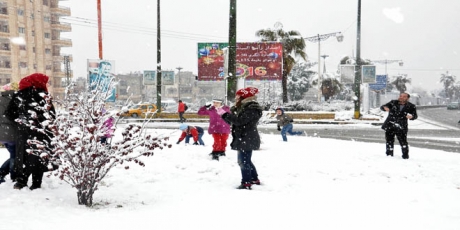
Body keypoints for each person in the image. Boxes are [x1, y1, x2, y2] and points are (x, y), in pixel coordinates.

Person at [5, 73, 57, 190]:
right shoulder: (43, 95)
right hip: (40, 131)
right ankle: (36, 184)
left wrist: (19, 122)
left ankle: (21, 182)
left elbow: (9, 113)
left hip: (23, 132)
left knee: (23, 156)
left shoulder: (19, 95)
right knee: (38, 156)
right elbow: (51, 115)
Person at [217, 87, 263, 190]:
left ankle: (246, 183)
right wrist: (224, 114)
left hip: (247, 138)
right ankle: (254, 179)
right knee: (246, 161)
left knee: (244, 162)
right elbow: (234, 122)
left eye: (238, 96)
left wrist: (225, 114)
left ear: (244, 97)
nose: (236, 98)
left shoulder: (252, 108)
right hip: (243, 137)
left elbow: (239, 121)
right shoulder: (242, 107)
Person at [380, 92, 418, 159]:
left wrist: (411, 117)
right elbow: (382, 107)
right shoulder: (393, 102)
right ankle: (389, 155)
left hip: (401, 126)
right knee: (389, 141)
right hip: (390, 125)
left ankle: (405, 156)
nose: (401, 97)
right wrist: (384, 108)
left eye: (404, 96)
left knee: (403, 142)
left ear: (407, 98)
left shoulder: (411, 106)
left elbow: (415, 116)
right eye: (401, 96)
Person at [0, 90, 18, 183]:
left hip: (2, 134)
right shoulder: (14, 101)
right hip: (11, 133)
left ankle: (2, 172)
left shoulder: (0, 100)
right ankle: (13, 176)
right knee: (15, 156)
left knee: (14, 155)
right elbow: (14, 118)